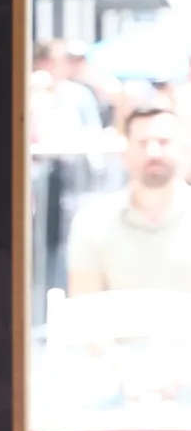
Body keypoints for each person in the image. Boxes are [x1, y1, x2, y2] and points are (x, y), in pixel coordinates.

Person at [67, 104, 191, 293]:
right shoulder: (92, 223)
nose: (153, 153)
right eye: (142, 143)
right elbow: (84, 309)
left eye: (164, 142)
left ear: (184, 150)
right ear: (124, 153)